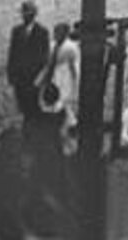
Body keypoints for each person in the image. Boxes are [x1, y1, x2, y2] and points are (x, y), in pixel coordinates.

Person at [37, 22, 81, 157]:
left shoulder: (71, 48)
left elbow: (75, 68)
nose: (56, 36)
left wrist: (75, 86)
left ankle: (68, 138)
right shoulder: (51, 46)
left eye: (59, 33)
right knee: (52, 101)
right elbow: (48, 64)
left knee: (64, 104)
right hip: (54, 78)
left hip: (65, 78)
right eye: (55, 33)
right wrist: (40, 81)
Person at [8, 1, 52, 124]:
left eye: (30, 13)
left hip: (35, 79)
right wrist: (12, 76)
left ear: (34, 15)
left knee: (35, 109)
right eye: (24, 13)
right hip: (20, 79)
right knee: (24, 107)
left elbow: (45, 58)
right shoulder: (17, 31)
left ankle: (34, 135)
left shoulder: (42, 32)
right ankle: (27, 135)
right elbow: (13, 54)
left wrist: (40, 79)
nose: (26, 16)